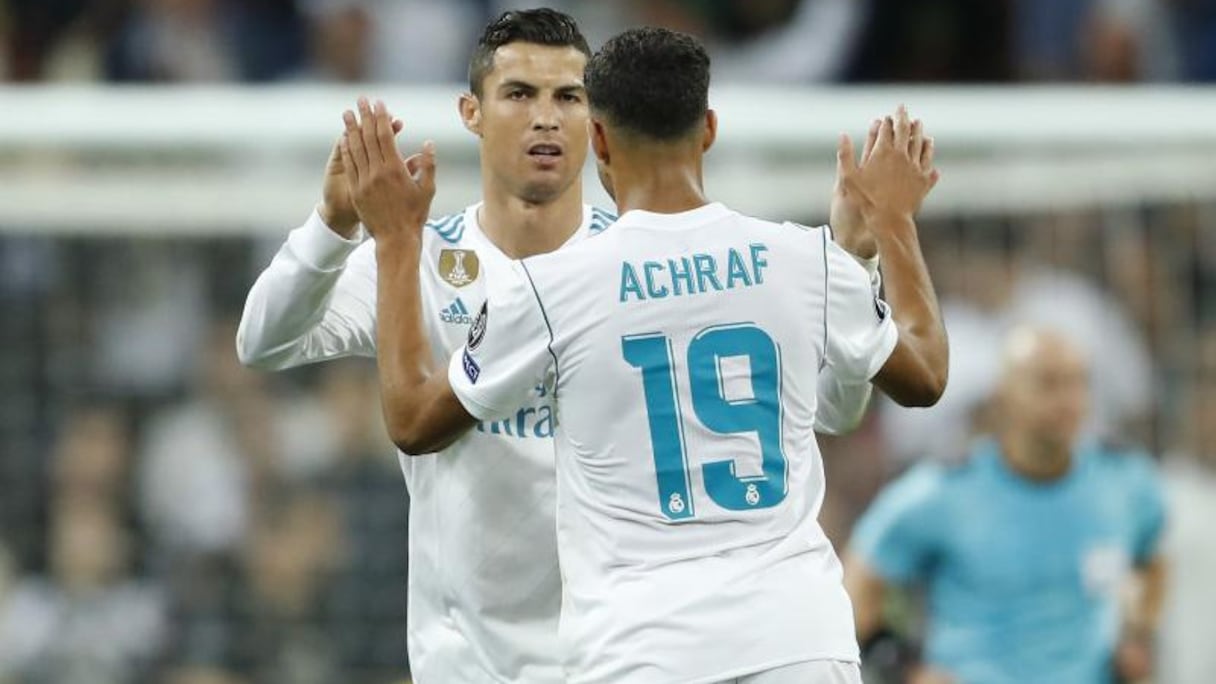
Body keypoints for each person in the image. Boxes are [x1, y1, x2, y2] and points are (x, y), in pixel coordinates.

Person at [237, 9, 884, 682]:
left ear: (595, 122)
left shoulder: (637, 268)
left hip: (622, 650)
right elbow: (264, 340)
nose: (546, 117)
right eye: (519, 94)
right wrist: (333, 223)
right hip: (469, 658)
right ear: (472, 112)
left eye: (568, 97)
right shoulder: (421, 259)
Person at [845, 327, 1167, 684]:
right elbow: (860, 574)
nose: (1068, 400)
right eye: (1048, 384)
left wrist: (1138, 635)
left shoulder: (1123, 482)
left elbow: (1154, 559)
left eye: (1078, 383)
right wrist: (901, 667)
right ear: (1002, 397)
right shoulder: (944, 490)